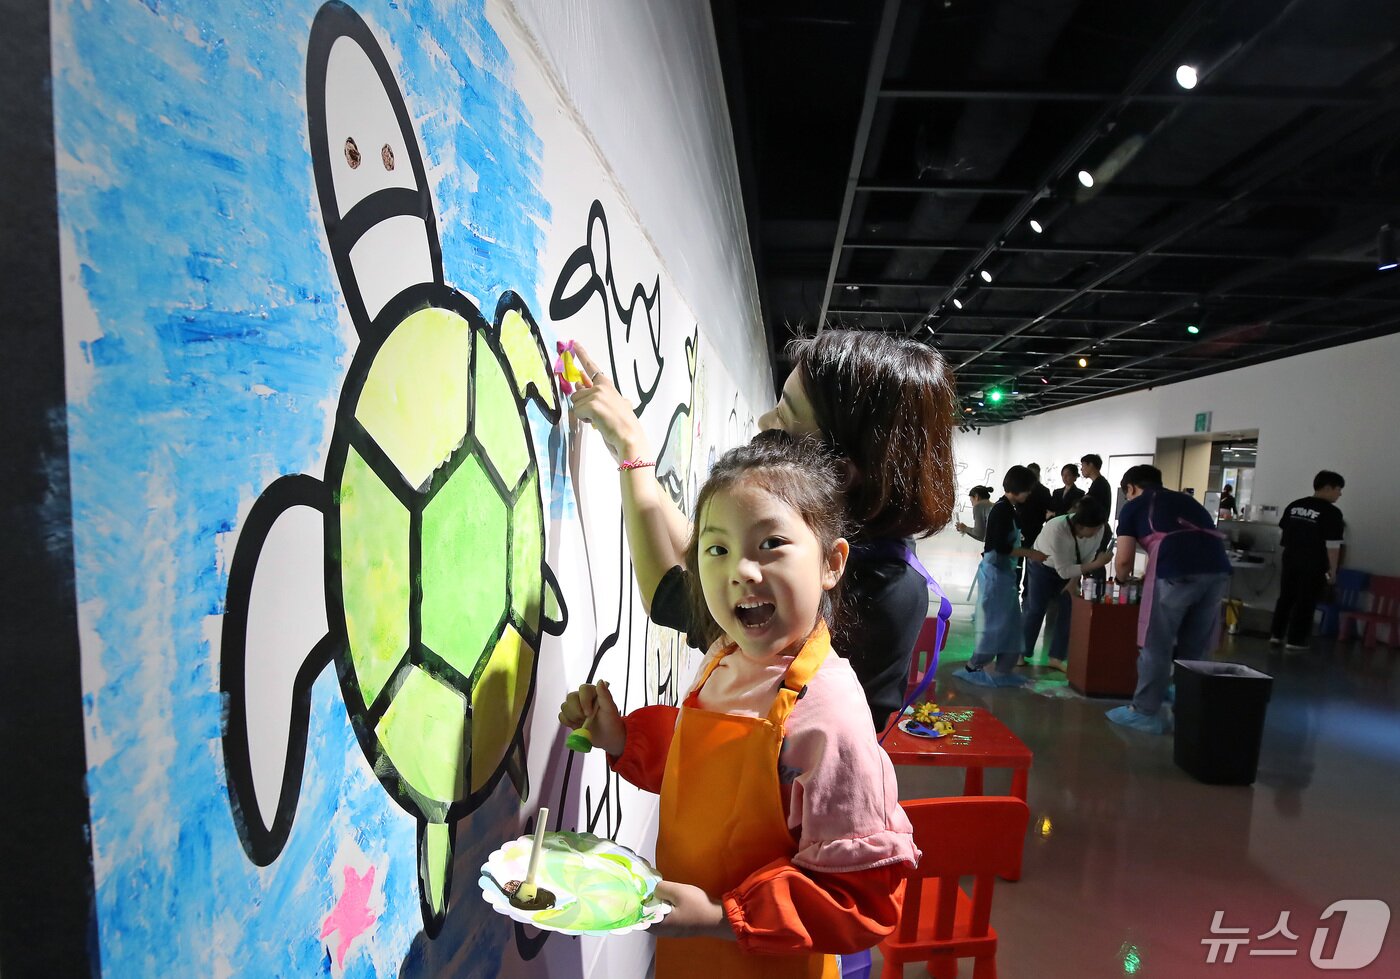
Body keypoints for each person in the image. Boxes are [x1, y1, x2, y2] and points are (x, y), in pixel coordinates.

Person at [558, 436, 918, 976]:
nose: (741, 570)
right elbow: (705, 775)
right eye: (717, 548)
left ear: (831, 562)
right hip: (692, 956)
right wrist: (622, 739)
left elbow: (859, 898)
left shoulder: (829, 717)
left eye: (770, 543)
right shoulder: (724, 656)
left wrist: (723, 915)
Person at [567, 330, 957, 731]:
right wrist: (635, 455)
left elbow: (671, 597)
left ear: (838, 474)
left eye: (785, 416)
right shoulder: (868, 548)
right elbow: (703, 550)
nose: (763, 422)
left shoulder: (872, 590)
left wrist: (633, 454)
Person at [1107, 465, 1231, 734]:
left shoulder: (1134, 505)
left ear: (1130, 488)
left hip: (1176, 573)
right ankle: (1187, 705)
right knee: (1195, 646)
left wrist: (1120, 579)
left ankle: (1144, 710)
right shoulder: (1186, 500)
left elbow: (1124, 559)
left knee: (1156, 642)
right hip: (1217, 572)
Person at [957, 466, 1045, 687]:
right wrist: (1031, 553)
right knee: (995, 624)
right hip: (996, 574)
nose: (1029, 495)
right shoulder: (1001, 510)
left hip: (1004, 574)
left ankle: (1004, 667)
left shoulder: (1010, 508)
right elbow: (1000, 546)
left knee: (1011, 623)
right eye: (1027, 490)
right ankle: (974, 666)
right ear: (1018, 488)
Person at [1022, 498, 1114, 671]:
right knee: (1036, 608)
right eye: (1093, 529)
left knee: (1068, 609)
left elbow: (1085, 557)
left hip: (1070, 569)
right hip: (1043, 566)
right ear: (1080, 525)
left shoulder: (1099, 528)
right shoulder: (1057, 528)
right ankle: (1022, 652)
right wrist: (1098, 564)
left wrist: (1074, 582)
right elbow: (1064, 570)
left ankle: (1056, 657)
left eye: (1099, 528)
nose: (1097, 533)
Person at [1270, 471, 1345, 650]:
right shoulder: (1332, 513)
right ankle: (1295, 640)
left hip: (1290, 558)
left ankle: (1276, 635)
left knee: (1286, 597)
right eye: (1338, 489)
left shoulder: (1295, 506)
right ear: (1327, 488)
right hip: (1313, 562)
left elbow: (1282, 531)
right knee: (1306, 599)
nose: (1340, 494)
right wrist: (1333, 571)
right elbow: (1333, 546)